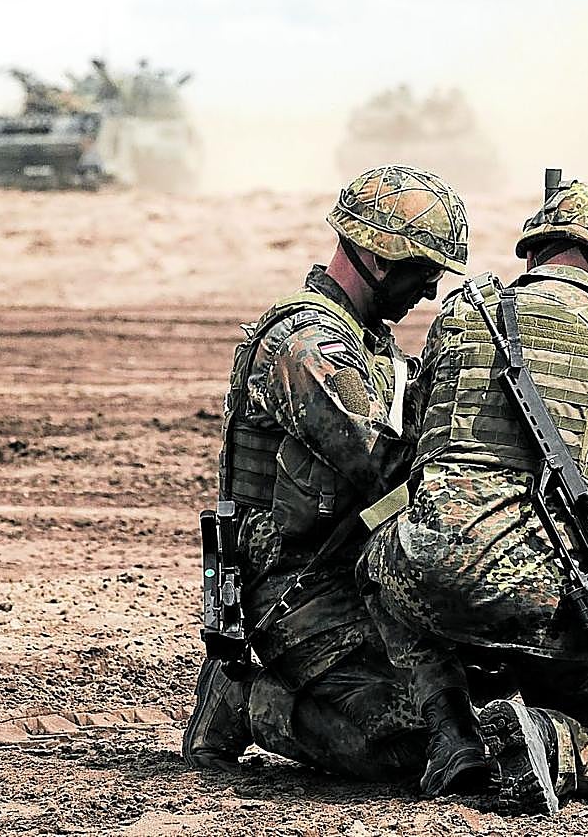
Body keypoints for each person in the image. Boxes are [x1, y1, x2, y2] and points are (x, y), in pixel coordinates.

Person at [357, 178, 588, 814]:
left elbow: (413, 444)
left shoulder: (462, 317)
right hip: (551, 601)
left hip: (431, 575)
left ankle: (449, 727)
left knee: (380, 562)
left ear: (532, 252)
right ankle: (546, 745)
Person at [182, 165, 487, 793]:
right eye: (422, 271)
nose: (430, 291)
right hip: (298, 588)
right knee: (412, 744)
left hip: (364, 576)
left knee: (493, 692)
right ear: (376, 258)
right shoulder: (307, 347)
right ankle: (248, 703)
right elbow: (386, 465)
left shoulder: (373, 348)